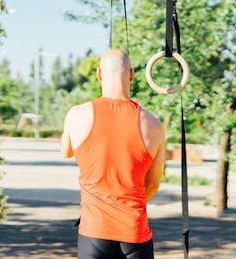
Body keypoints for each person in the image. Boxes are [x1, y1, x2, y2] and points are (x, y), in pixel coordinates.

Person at [61, 49, 166, 259]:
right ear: (132, 74)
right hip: (134, 232)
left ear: (99, 73)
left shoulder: (76, 115)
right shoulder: (153, 125)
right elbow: (153, 184)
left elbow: (66, 151)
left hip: (94, 232)